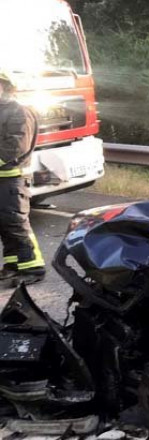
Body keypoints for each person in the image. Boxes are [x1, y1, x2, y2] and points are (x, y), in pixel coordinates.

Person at [0, 71, 45, 286]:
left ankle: (33, 268)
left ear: (5, 86)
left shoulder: (19, 111)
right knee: (4, 224)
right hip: (2, 179)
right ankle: (13, 265)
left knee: (16, 223)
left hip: (12, 178)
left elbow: (15, 148)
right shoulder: (3, 109)